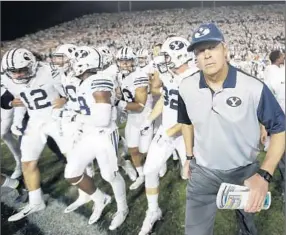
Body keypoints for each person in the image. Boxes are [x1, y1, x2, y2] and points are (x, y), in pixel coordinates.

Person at [178, 23, 285, 235]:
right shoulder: (185, 87)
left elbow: (280, 128)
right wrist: (189, 156)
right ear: (195, 58)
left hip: (244, 170)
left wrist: (264, 175)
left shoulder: (252, 87)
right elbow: (186, 121)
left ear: (225, 50)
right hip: (204, 172)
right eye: (200, 50)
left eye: (212, 47)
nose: (207, 55)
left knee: (247, 224)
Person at [138, 36, 197, 235]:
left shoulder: (196, 78)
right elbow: (167, 98)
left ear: (179, 56)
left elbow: (194, 118)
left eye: (166, 56)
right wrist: (149, 119)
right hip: (167, 131)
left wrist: (170, 132)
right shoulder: (171, 75)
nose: (163, 60)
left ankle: (200, 220)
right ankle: (153, 211)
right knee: (150, 170)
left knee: (195, 179)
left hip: (188, 136)